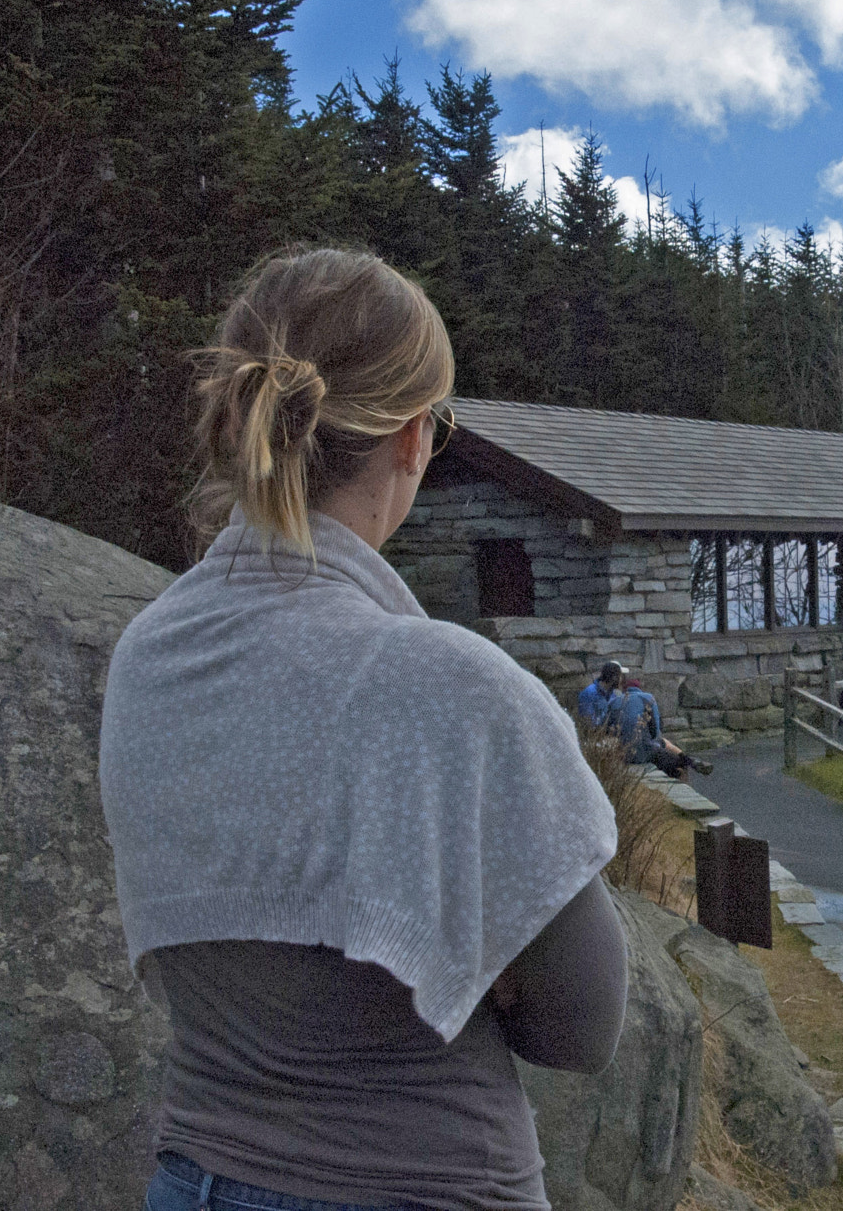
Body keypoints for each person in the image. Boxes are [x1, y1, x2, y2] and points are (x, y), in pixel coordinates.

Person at [98, 247, 627, 1211]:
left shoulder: (147, 656)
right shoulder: (449, 685)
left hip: (193, 1181)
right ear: (413, 439)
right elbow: (582, 1026)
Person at [609, 680, 713, 779]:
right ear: (639, 688)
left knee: (661, 743)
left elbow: (607, 729)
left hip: (622, 751)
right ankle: (689, 761)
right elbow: (655, 731)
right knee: (674, 758)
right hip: (644, 752)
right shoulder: (648, 698)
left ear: (624, 689)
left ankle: (690, 760)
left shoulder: (613, 702)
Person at [575, 661, 625, 727]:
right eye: (620, 676)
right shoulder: (590, 692)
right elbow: (586, 719)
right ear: (614, 677)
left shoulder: (614, 694)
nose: (621, 679)